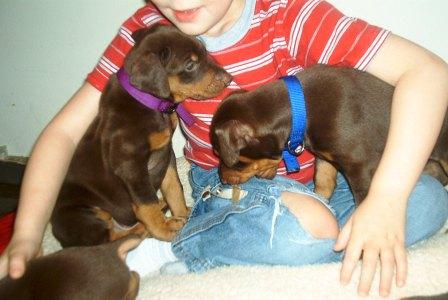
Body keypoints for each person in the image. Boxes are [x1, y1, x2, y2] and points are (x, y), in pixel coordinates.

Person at [1, 0, 448, 297]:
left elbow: (428, 73)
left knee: (428, 201)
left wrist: (386, 201)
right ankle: (178, 246)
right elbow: (63, 133)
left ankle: (322, 224)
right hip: (226, 180)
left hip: (320, 177)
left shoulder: (290, 16)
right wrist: (26, 233)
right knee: (303, 233)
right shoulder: (146, 34)